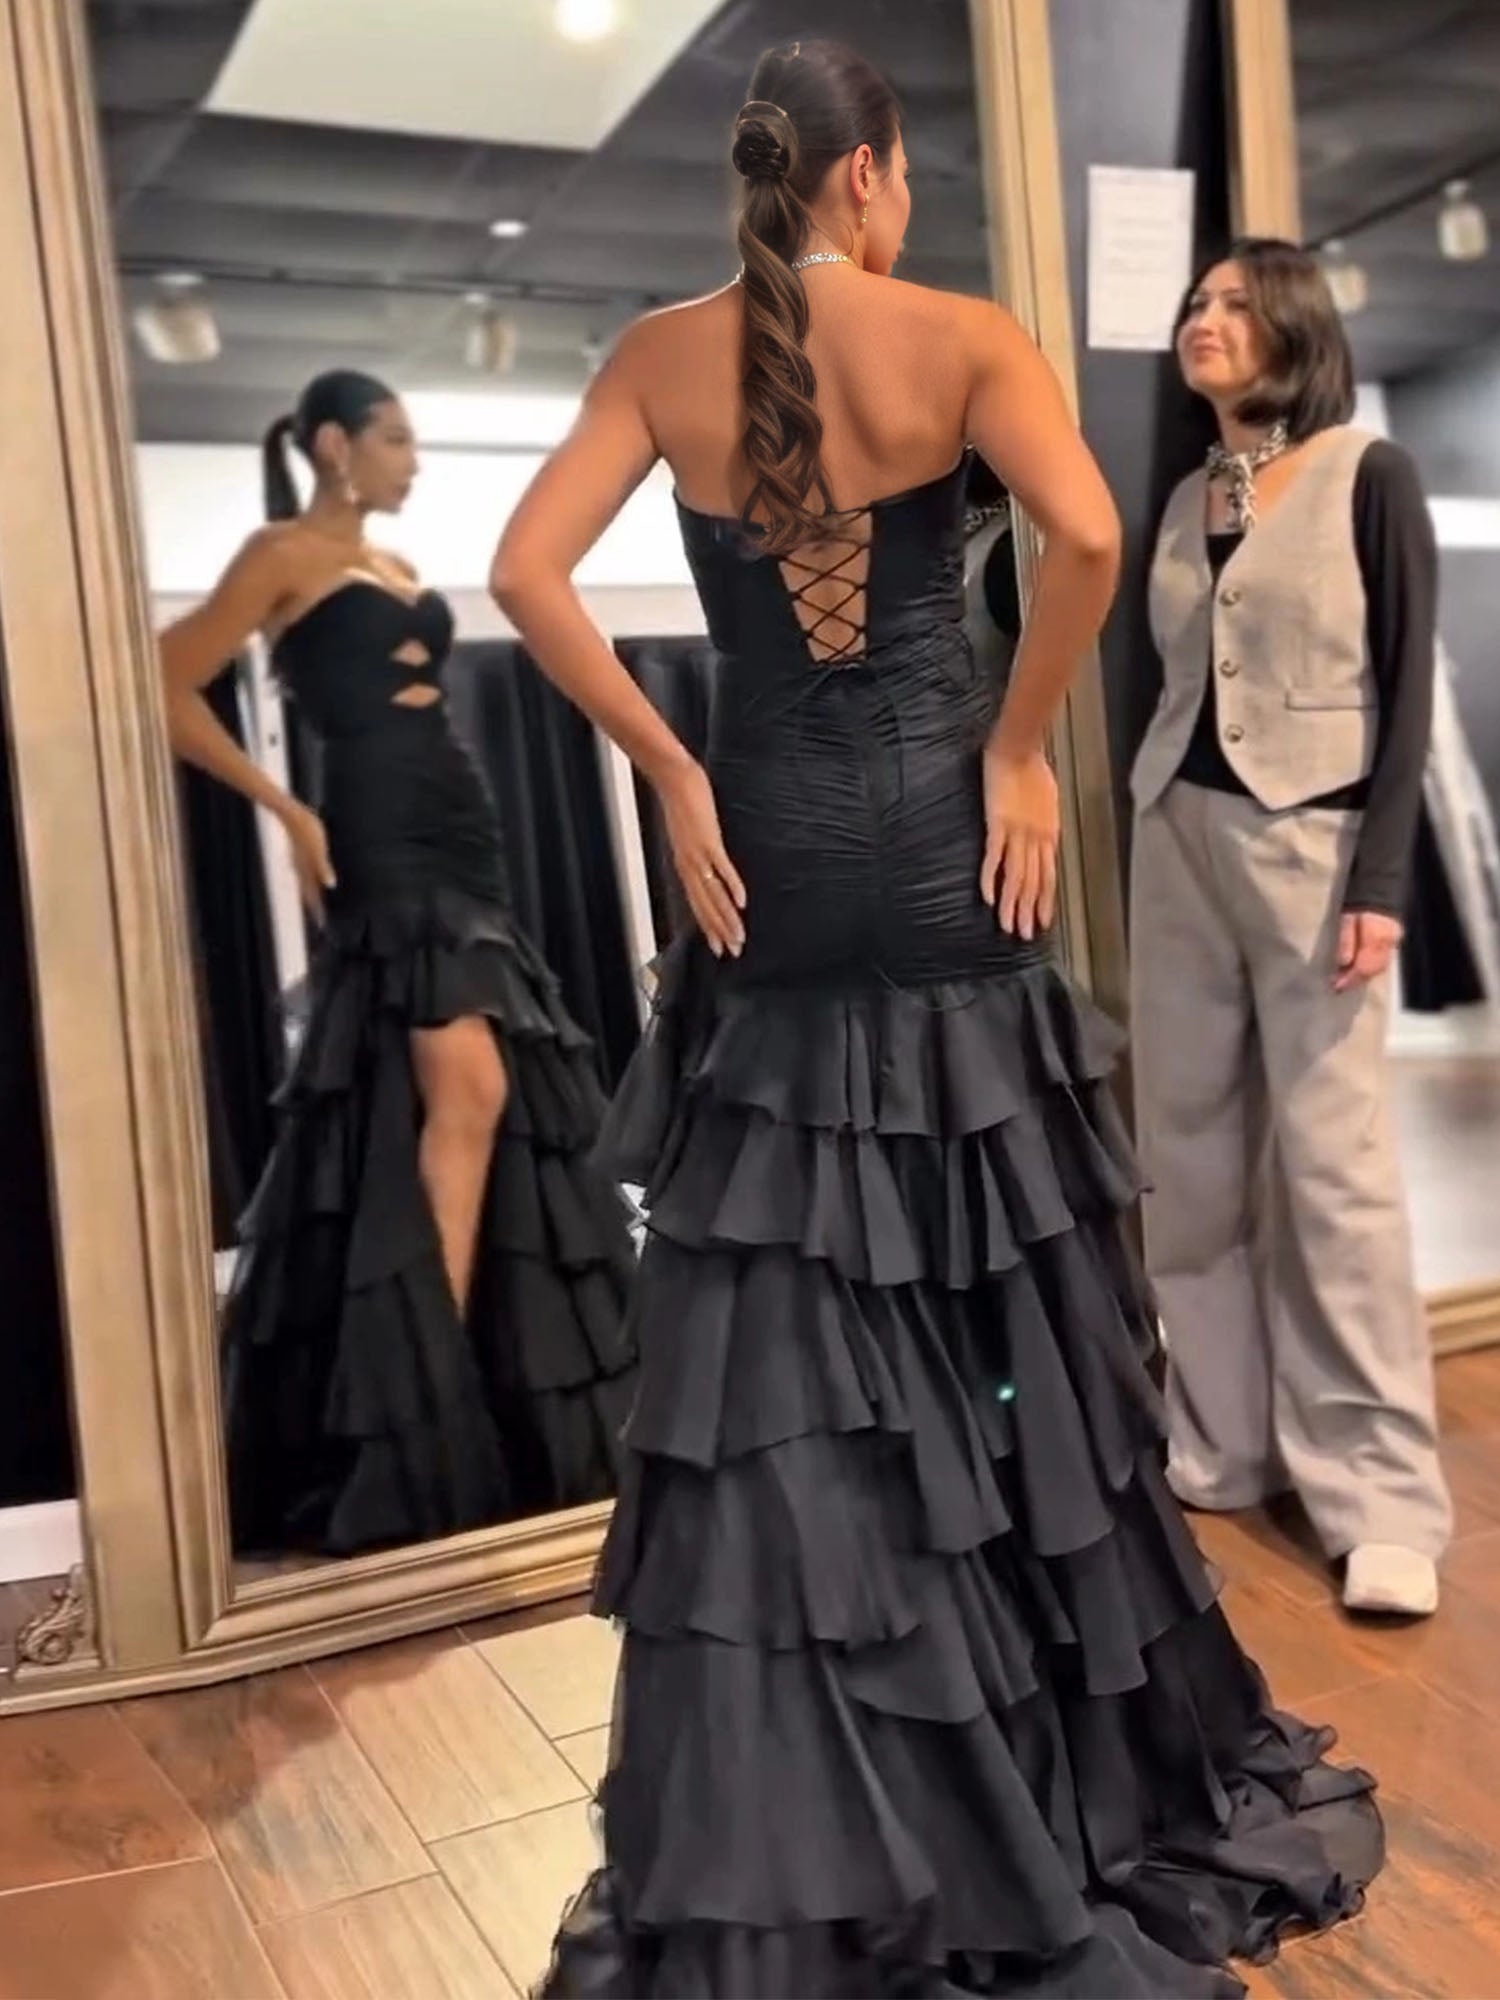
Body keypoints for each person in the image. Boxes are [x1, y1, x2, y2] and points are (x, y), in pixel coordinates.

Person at [494, 45, 1383, 1999]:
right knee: (1001, 1295)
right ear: (871, 175)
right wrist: (1019, 749)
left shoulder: (659, 354)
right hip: (937, 840)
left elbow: (521, 573)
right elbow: (1084, 540)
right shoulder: (963, 335)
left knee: (795, 1306)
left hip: (770, 857)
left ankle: (834, 1781)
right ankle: (1038, 1756)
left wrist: (666, 764)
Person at [159, 370, 637, 1557]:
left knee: (465, 1098)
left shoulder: (395, 564)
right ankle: (427, 1394)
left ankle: (461, 1375)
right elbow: (162, 677)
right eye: (398, 439)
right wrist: (283, 806)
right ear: (334, 444)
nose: (414, 461)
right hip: (372, 824)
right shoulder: (279, 553)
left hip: (458, 823)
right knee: (469, 1086)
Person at [1131, 239, 1452, 1622]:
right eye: (1197, 302)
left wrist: (1384, 878)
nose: (1206, 319)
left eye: (1235, 302)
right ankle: (1224, 1439)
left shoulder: (1369, 474)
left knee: (1334, 1173)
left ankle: (1380, 1498)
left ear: (1295, 326)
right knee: (1187, 1159)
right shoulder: (1187, 493)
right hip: (1177, 837)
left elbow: (1409, 686)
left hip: (1314, 850)